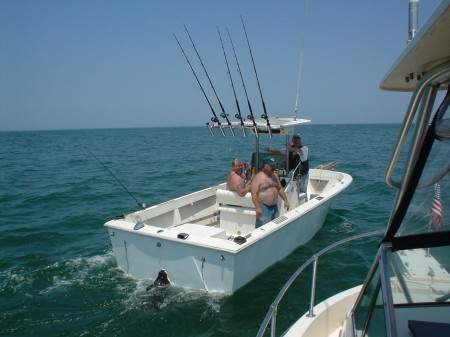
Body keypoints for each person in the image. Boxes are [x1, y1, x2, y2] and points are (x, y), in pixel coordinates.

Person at [251, 156, 289, 228]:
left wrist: (285, 200)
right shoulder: (258, 178)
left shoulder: (275, 176)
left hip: (274, 207)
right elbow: (254, 194)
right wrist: (257, 207)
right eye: (272, 165)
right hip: (264, 207)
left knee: (275, 226)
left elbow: (280, 188)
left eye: (274, 165)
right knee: (263, 228)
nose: (274, 167)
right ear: (265, 166)